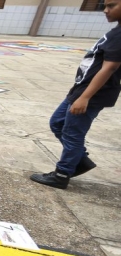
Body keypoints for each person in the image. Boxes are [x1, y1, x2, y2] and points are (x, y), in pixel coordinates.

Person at [30, 0, 121, 189]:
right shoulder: (116, 31)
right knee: (57, 122)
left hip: (92, 93)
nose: (105, 10)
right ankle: (80, 160)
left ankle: (62, 174)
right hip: (80, 89)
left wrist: (85, 97)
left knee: (73, 133)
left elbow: (110, 67)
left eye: (111, 5)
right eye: (105, 5)